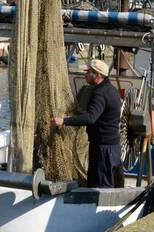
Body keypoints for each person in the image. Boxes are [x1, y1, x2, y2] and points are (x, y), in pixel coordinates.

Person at [50, 59, 123, 188]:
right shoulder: (111, 90)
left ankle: (97, 207)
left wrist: (64, 121)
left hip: (104, 149)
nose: (86, 74)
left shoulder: (100, 93)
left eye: (89, 72)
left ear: (98, 75)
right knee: (105, 183)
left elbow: (90, 118)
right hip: (112, 147)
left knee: (100, 187)